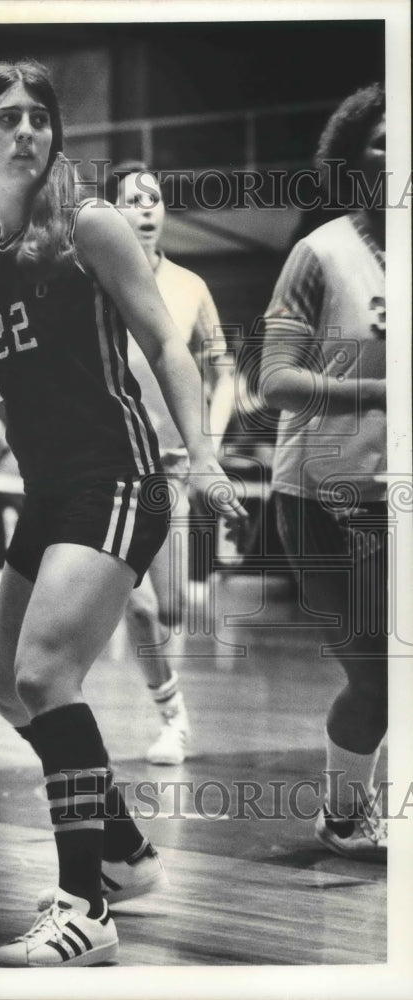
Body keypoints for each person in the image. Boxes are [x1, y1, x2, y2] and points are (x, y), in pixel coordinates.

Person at [0, 59, 246, 967]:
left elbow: (165, 345)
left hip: (118, 482)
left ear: (52, 137)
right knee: (4, 691)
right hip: (51, 493)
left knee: (42, 674)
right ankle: (128, 854)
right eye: (8, 118)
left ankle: (85, 907)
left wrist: (207, 454)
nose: (27, 132)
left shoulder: (91, 227)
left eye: (39, 118)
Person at [259, 83, 387, 859]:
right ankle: (341, 816)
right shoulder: (319, 253)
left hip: (394, 497)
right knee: (378, 680)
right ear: (350, 156)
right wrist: (377, 390)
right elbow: (271, 381)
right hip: (318, 499)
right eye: (380, 139)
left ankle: (351, 812)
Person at [105, 161, 234, 764]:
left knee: (174, 604)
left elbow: (224, 372)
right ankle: (172, 717)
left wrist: (211, 442)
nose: (148, 210)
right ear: (112, 214)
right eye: (133, 201)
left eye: (154, 199)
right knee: (138, 602)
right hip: (108, 463)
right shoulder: (93, 286)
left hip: (174, 467)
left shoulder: (190, 287)